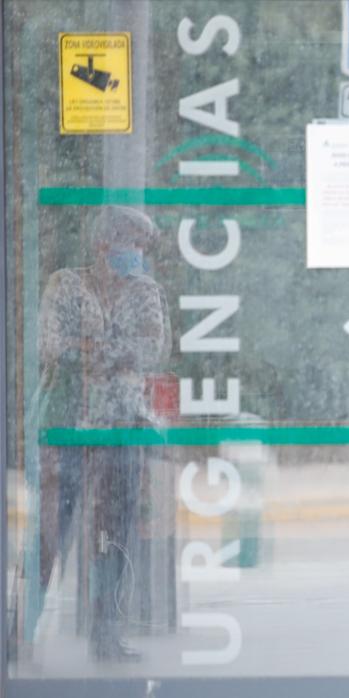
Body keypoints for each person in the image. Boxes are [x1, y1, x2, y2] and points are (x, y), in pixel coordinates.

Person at [35, 206, 171, 660]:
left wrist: (89, 349)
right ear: (101, 245)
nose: (135, 253)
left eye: (140, 246)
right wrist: (113, 351)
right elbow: (53, 347)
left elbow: (152, 349)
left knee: (113, 534)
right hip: (68, 427)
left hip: (122, 428)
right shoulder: (66, 284)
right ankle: (19, 632)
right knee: (52, 533)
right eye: (128, 243)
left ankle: (107, 636)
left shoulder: (145, 290)